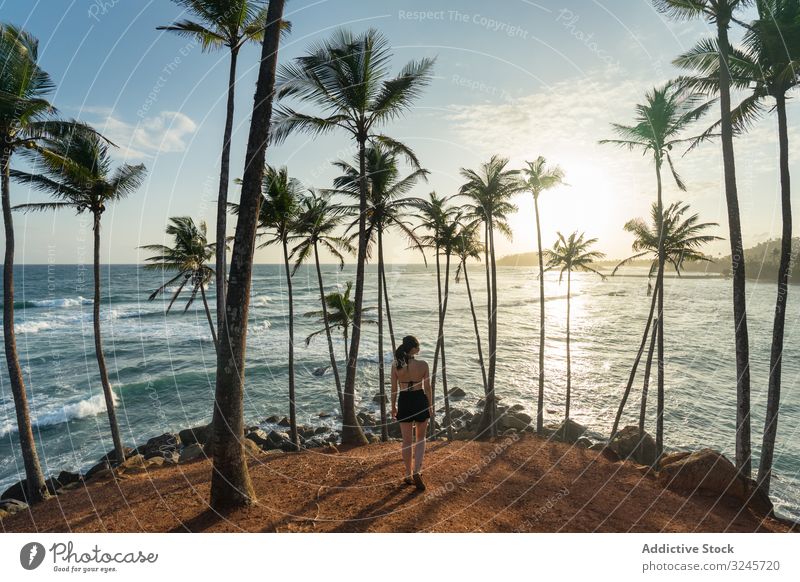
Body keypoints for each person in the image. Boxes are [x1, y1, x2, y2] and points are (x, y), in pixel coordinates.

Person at [390, 335, 433, 490]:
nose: (419, 349)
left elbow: (394, 389)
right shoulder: (423, 365)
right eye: (418, 346)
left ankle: (408, 474)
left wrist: (393, 407)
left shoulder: (396, 365)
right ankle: (417, 470)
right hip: (419, 400)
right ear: (412, 348)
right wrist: (430, 405)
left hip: (404, 401)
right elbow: (427, 388)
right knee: (420, 438)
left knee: (406, 441)